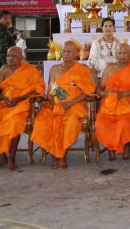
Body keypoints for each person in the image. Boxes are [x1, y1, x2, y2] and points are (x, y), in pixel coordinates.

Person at [30, 41, 96, 169]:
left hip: (75, 105)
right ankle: (54, 155)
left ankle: (62, 155)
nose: (66, 54)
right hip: (56, 105)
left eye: (69, 51)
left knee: (70, 123)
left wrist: (69, 103)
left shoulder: (82, 70)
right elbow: (50, 91)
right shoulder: (54, 69)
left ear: (75, 54)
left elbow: (88, 91)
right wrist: (56, 105)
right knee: (44, 121)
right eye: (64, 51)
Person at [0, 47, 45, 171]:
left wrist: (19, 98)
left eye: (13, 56)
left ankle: (12, 158)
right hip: (4, 104)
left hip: (21, 105)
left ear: (21, 57)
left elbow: (38, 90)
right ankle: (2, 157)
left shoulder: (30, 70)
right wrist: (4, 98)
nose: (10, 58)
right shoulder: (4, 69)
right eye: (8, 56)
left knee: (15, 122)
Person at [94, 43, 130, 162]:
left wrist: (123, 94)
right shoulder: (110, 68)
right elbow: (100, 87)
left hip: (129, 104)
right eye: (119, 53)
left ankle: (127, 145)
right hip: (110, 105)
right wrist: (103, 93)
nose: (122, 55)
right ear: (116, 54)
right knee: (102, 122)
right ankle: (110, 148)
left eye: (125, 53)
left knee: (125, 121)